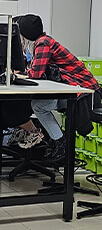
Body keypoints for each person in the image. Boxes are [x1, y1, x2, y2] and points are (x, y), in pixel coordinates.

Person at [17, 14, 101, 161]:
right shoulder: (42, 41)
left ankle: (60, 144)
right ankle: (58, 141)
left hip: (84, 92)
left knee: (38, 105)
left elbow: (36, 73)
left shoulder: (43, 43)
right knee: (37, 104)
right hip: (74, 87)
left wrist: (19, 74)